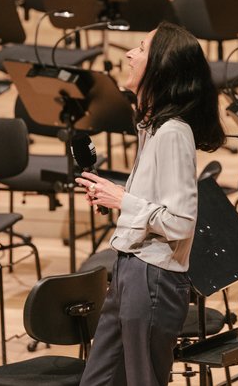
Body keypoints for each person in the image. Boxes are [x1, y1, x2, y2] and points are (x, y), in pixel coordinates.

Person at [75, 21, 226, 386]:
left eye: (141, 49)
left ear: (160, 68)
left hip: (153, 277)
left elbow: (180, 222)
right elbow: (153, 201)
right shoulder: (152, 126)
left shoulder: (174, 132)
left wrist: (123, 200)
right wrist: (116, 195)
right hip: (130, 267)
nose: (129, 53)